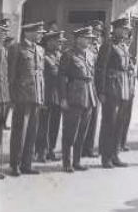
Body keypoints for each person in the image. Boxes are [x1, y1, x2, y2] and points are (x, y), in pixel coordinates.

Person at [7, 21, 46, 176]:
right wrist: (12, 96)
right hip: (22, 96)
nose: (41, 35)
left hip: (36, 95)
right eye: (39, 32)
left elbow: (40, 75)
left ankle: (26, 164)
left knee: (32, 131)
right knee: (20, 131)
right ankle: (15, 164)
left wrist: (41, 95)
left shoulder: (40, 49)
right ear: (29, 32)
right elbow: (11, 75)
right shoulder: (16, 48)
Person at [58, 26, 98, 172]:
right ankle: (66, 162)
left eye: (90, 39)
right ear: (78, 39)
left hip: (88, 95)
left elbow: (93, 75)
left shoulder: (91, 54)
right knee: (70, 131)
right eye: (86, 38)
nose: (89, 41)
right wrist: (63, 98)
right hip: (74, 95)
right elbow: (62, 78)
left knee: (82, 132)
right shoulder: (68, 55)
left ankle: (77, 160)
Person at [95, 17, 132, 168]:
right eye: (123, 29)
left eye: (127, 29)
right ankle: (106, 157)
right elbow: (100, 69)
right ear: (115, 29)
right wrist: (101, 91)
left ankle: (115, 154)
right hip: (111, 88)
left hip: (123, 87)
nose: (125, 31)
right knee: (109, 123)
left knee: (120, 124)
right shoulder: (107, 45)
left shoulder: (123, 46)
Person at [35, 31, 66, 163]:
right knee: (44, 125)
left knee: (54, 125)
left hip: (57, 96)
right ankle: (41, 152)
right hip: (47, 95)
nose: (61, 43)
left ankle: (51, 150)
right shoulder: (44, 56)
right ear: (49, 42)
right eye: (58, 41)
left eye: (61, 41)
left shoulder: (59, 56)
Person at [83, 20, 104, 158]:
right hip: (86, 85)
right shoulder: (86, 47)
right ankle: (80, 147)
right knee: (85, 118)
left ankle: (88, 148)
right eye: (95, 31)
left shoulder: (100, 45)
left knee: (94, 118)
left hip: (96, 85)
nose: (97, 34)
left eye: (99, 31)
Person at [0, 18, 11, 179]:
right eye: (0, 31)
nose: (3, 34)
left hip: (1, 98)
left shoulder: (3, 50)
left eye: (5, 32)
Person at [120, 30, 137, 152]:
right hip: (122, 89)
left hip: (130, 90)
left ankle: (122, 142)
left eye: (130, 41)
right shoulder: (120, 54)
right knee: (120, 119)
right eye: (127, 40)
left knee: (126, 118)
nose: (129, 42)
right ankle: (118, 143)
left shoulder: (129, 55)